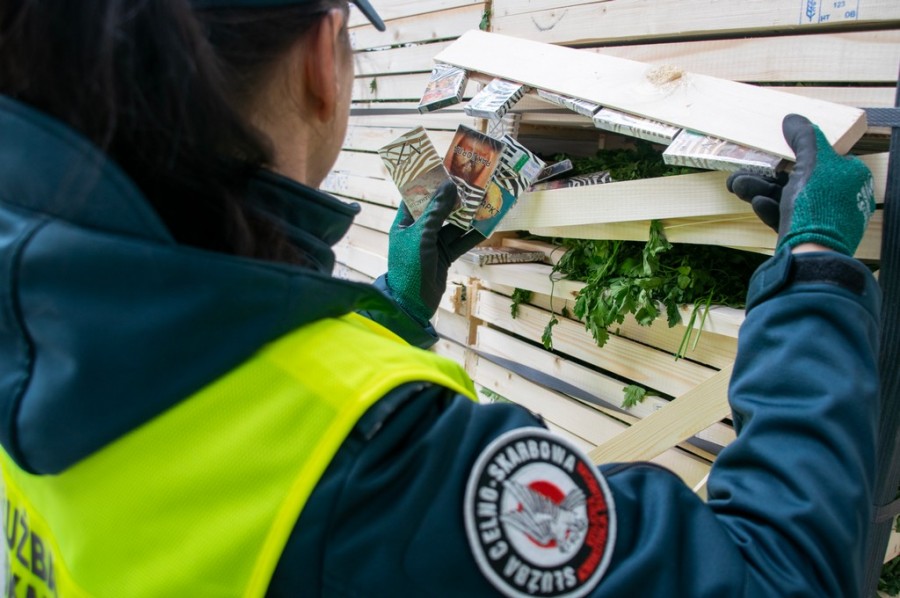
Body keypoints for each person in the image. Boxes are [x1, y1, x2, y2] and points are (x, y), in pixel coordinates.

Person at [0, 0, 880, 596]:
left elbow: (206, 415)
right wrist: (815, 273)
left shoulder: (29, 318)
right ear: (321, 58)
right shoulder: (389, 455)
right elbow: (777, 577)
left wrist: (389, 309)